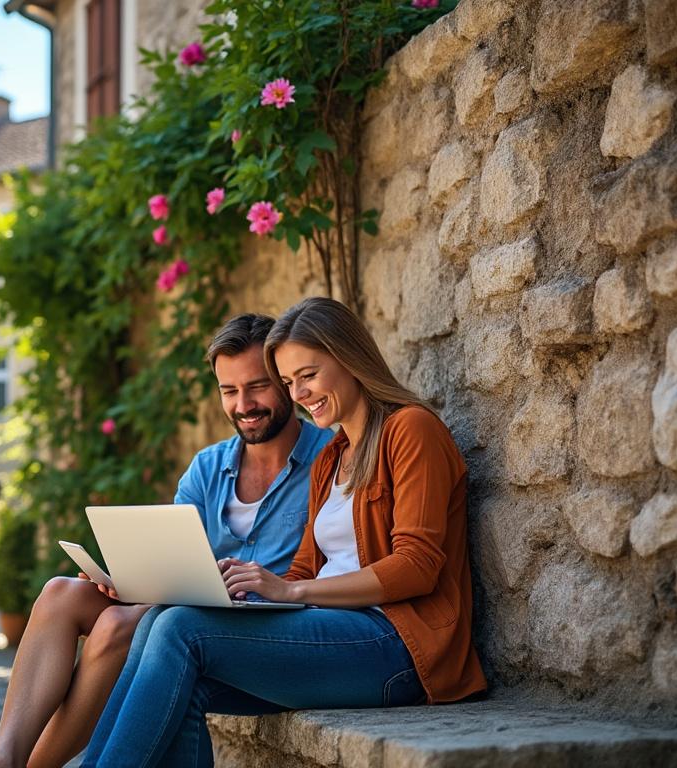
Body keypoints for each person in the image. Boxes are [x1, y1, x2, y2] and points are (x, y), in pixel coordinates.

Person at [80, 297, 488, 767]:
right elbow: (305, 568)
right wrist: (237, 592)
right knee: (160, 624)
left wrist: (292, 591)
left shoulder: (411, 430)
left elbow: (417, 567)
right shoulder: (333, 457)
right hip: (335, 635)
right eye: (290, 382)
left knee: (179, 629)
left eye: (308, 375)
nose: (299, 394)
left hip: (399, 647)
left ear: (349, 358)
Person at [0, 313, 336, 768]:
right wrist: (132, 581)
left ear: (285, 382)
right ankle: (2, 758)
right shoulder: (208, 467)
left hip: (263, 625)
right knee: (60, 594)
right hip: (191, 605)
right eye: (229, 391)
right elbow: (176, 558)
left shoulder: (329, 459)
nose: (243, 404)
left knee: (116, 625)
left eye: (258, 386)